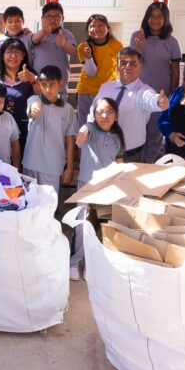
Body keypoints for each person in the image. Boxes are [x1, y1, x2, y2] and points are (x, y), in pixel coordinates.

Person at [71, 96, 126, 279]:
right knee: (82, 225)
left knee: (102, 226)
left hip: (107, 189)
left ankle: (92, 264)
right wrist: (81, 137)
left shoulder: (118, 136)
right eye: (99, 111)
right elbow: (82, 135)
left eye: (109, 111)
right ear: (94, 114)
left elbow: (120, 163)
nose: (104, 115)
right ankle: (75, 262)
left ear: (116, 116)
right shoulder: (90, 128)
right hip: (87, 185)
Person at [96, 48, 170, 161]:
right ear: (117, 66)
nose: (127, 66)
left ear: (141, 68)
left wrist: (159, 102)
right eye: (124, 63)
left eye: (133, 63)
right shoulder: (105, 87)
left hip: (130, 157)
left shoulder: (144, 90)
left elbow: (150, 99)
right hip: (101, 153)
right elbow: (93, 113)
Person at [129, 1, 182, 163]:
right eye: (152, 16)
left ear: (166, 19)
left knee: (155, 134)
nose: (156, 20)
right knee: (136, 133)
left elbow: (175, 70)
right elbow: (131, 64)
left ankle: (148, 166)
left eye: (160, 17)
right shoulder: (136, 37)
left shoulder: (172, 42)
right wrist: (138, 47)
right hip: (138, 95)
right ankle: (134, 167)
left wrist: (172, 94)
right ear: (147, 18)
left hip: (160, 96)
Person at [22, 66, 77, 190]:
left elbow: (70, 140)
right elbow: (32, 109)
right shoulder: (34, 100)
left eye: (52, 85)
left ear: (61, 85)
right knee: (30, 203)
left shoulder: (67, 109)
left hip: (53, 166)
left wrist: (69, 168)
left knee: (50, 204)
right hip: (31, 164)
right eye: (43, 85)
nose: (47, 89)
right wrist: (34, 109)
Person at [0, 37, 36, 153]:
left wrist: (32, 79)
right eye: (9, 52)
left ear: (23, 55)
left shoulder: (30, 73)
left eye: (17, 53)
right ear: (2, 55)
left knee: (20, 164)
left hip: (25, 129)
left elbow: (41, 93)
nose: (13, 56)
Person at [75, 14, 123, 129]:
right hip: (86, 91)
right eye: (92, 26)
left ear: (108, 28)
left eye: (101, 25)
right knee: (85, 126)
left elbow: (121, 69)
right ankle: (83, 147)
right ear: (88, 30)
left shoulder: (117, 45)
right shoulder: (83, 47)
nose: (96, 29)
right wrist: (88, 57)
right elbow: (91, 72)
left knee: (105, 125)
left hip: (107, 92)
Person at [24, 2, 77, 94]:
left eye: (57, 16)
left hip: (59, 85)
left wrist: (64, 43)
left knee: (59, 107)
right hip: (38, 84)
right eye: (48, 16)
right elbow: (34, 40)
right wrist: (44, 31)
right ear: (42, 19)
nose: (52, 19)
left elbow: (75, 53)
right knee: (38, 107)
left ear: (62, 19)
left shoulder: (66, 34)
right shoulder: (38, 34)